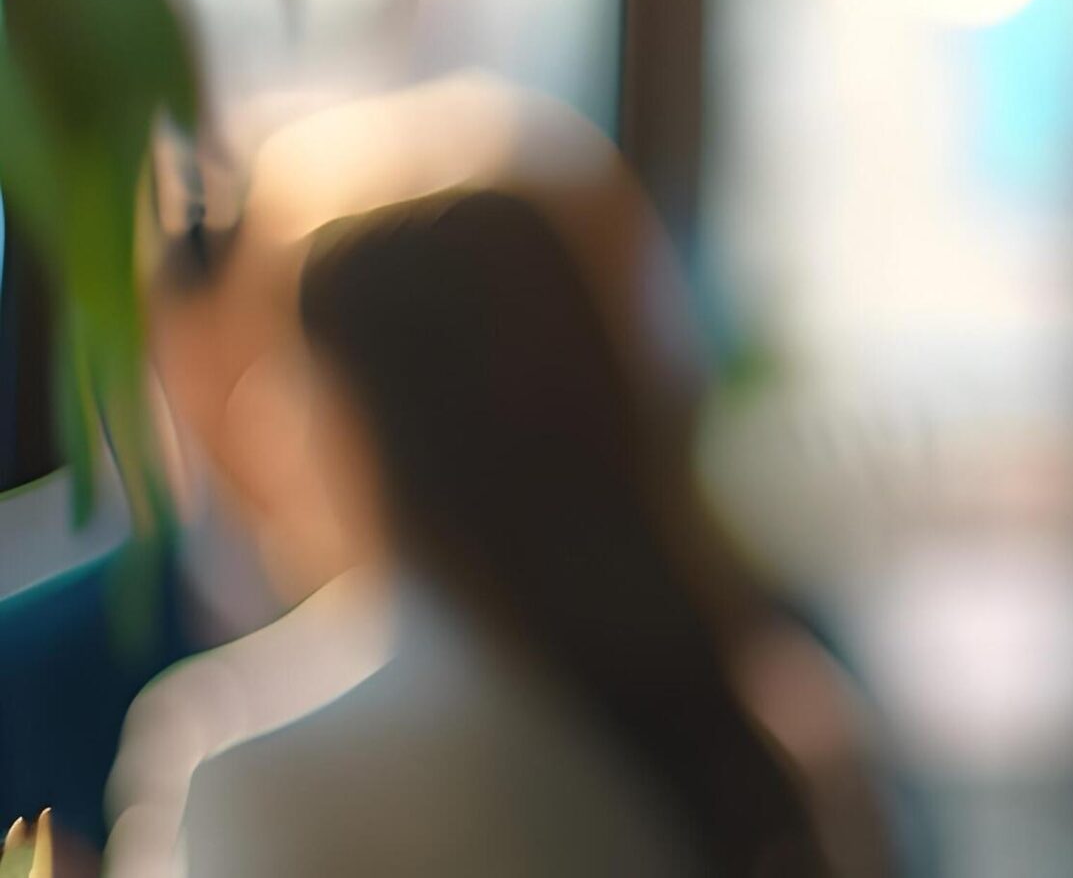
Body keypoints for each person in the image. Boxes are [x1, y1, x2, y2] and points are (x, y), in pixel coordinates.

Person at [170, 164, 888, 876]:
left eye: (295, 376)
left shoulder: (271, 782)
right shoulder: (756, 723)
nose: (263, 423)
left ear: (376, 419)